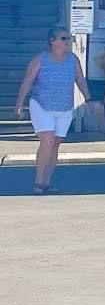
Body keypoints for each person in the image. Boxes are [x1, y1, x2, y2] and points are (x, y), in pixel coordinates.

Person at [13, 26, 91, 194]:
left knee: (55, 144)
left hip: (64, 107)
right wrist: (20, 103)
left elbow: (80, 80)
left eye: (68, 39)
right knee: (47, 140)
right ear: (52, 41)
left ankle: (47, 182)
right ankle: (38, 182)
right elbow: (27, 81)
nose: (67, 42)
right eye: (63, 39)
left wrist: (89, 99)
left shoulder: (73, 59)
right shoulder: (40, 59)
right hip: (42, 105)